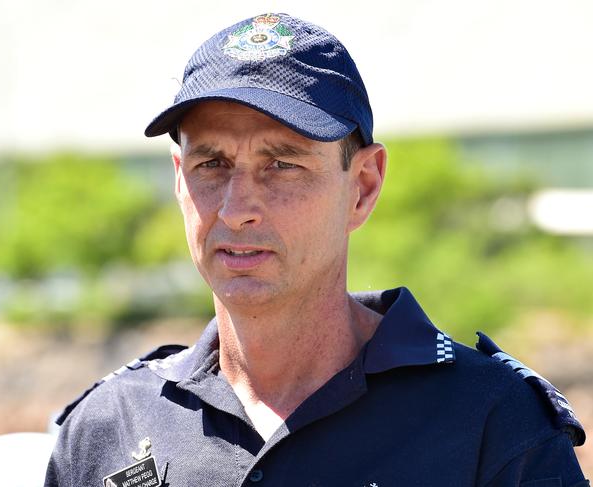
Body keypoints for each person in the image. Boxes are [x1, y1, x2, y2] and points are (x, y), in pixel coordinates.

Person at [45, 13, 589, 487]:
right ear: (179, 181)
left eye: (282, 165)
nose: (236, 209)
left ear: (363, 186)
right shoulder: (107, 428)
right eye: (210, 164)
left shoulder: (492, 422)